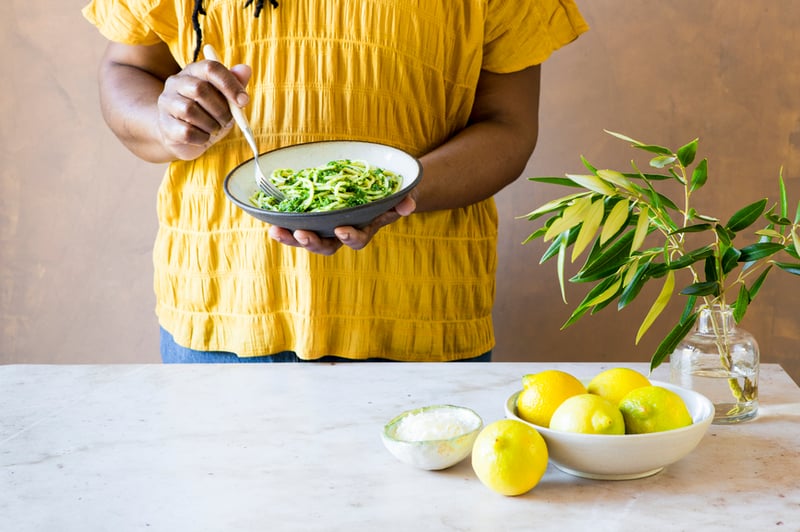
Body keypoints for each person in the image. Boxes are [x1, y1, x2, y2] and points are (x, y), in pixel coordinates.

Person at [83, 0, 588, 363]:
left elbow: (509, 125)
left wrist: (399, 193)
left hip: (419, 315)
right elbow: (126, 67)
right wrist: (168, 121)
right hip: (225, 310)